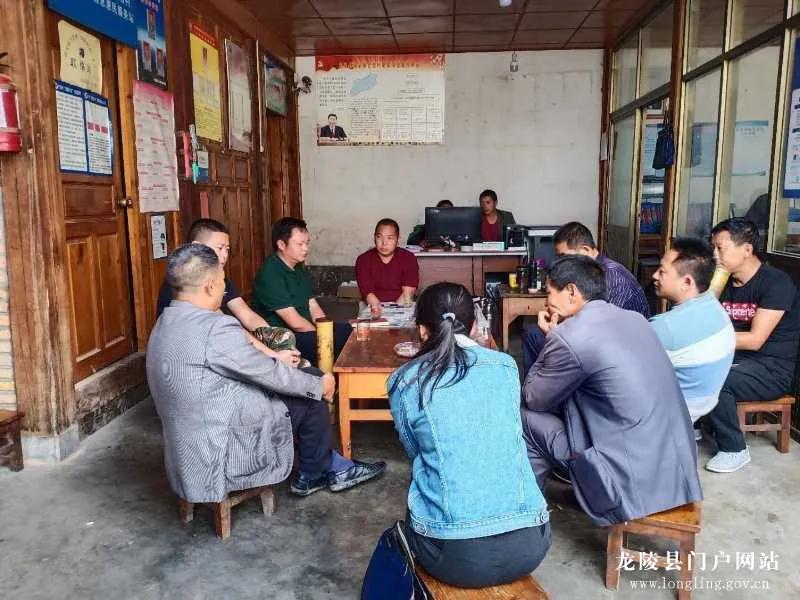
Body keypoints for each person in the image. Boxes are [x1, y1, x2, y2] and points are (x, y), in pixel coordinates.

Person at [146, 244, 386, 502]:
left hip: (187, 452)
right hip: (221, 450)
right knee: (311, 391)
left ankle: (324, 463)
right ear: (210, 286)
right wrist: (320, 385)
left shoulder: (165, 322)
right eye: (222, 282)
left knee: (301, 383)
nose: (224, 289)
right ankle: (315, 474)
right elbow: (268, 373)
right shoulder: (214, 327)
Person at [387, 282, 550, 588]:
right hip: (532, 543)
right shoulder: (506, 366)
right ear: (475, 326)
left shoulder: (406, 380)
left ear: (422, 331)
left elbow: (415, 451)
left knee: (422, 477)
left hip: (453, 557)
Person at [521, 255, 702, 526]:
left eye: (549, 292)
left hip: (629, 483)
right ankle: (546, 498)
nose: (547, 302)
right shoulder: (636, 319)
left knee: (524, 417)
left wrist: (549, 339)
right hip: (677, 470)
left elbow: (534, 398)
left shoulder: (571, 335)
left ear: (571, 291)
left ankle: (526, 513)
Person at [705, 218, 800, 473]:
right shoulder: (723, 281)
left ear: (747, 249)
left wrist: (703, 340)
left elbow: (755, 340)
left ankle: (734, 449)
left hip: (770, 369)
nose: (715, 255)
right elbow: (703, 319)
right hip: (736, 360)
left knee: (715, 378)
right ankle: (695, 424)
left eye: (720, 248)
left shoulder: (776, 283)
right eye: (713, 248)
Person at [156, 219, 303, 368]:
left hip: (226, 339)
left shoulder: (221, 278)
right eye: (219, 248)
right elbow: (230, 330)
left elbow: (247, 315)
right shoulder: (188, 283)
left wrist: (273, 340)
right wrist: (274, 357)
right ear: (197, 247)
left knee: (284, 340)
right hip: (202, 352)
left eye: (227, 249)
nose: (224, 255)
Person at [521, 221, 651, 375]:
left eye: (564, 257)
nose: (561, 263)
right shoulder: (590, 271)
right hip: (601, 340)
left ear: (585, 250)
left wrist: (558, 334)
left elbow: (602, 331)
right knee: (534, 332)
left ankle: (541, 385)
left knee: (535, 336)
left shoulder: (611, 276)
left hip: (621, 353)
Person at [650, 238, 735, 422]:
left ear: (687, 282)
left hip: (668, 414)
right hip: (700, 407)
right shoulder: (714, 306)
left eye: (662, 271)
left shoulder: (666, 327)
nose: (655, 276)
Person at [251, 217, 353, 365]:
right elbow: (295, 323)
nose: (306, 248)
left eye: (307, 243)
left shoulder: (298, 268)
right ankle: (332, 377)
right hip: (285, 338)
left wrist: (325, 328)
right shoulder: (270, 273)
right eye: (300, 244)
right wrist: (322, 337)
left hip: (306, 329)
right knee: (335, 344)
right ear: (281, 244)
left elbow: (312, 305)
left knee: (351, 332)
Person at [356, 218, 419, 318]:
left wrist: (394, 314)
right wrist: (379, 312)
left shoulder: (408, 258)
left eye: (390, 238)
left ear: (398, 240)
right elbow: (367, 292)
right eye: (379, 237)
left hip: (403, 305)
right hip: (372, 306)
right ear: (374, 238)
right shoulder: (363, 260)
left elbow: (408, 293)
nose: (384, 243)